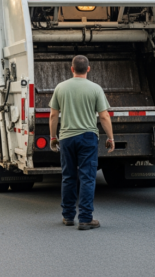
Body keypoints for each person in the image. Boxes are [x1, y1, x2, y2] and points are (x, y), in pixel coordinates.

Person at [49, 55, 115, 230]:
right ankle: (85, 219)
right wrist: (110, 137)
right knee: (87, 177)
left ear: (71, 69)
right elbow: (104, 116)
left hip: (66, 138)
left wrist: (53, 137)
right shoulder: (95, 89)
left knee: (68, 177)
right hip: (87, 137)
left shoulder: (60, 88)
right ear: (88, 69)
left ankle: (68, 216)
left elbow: (53, 115)